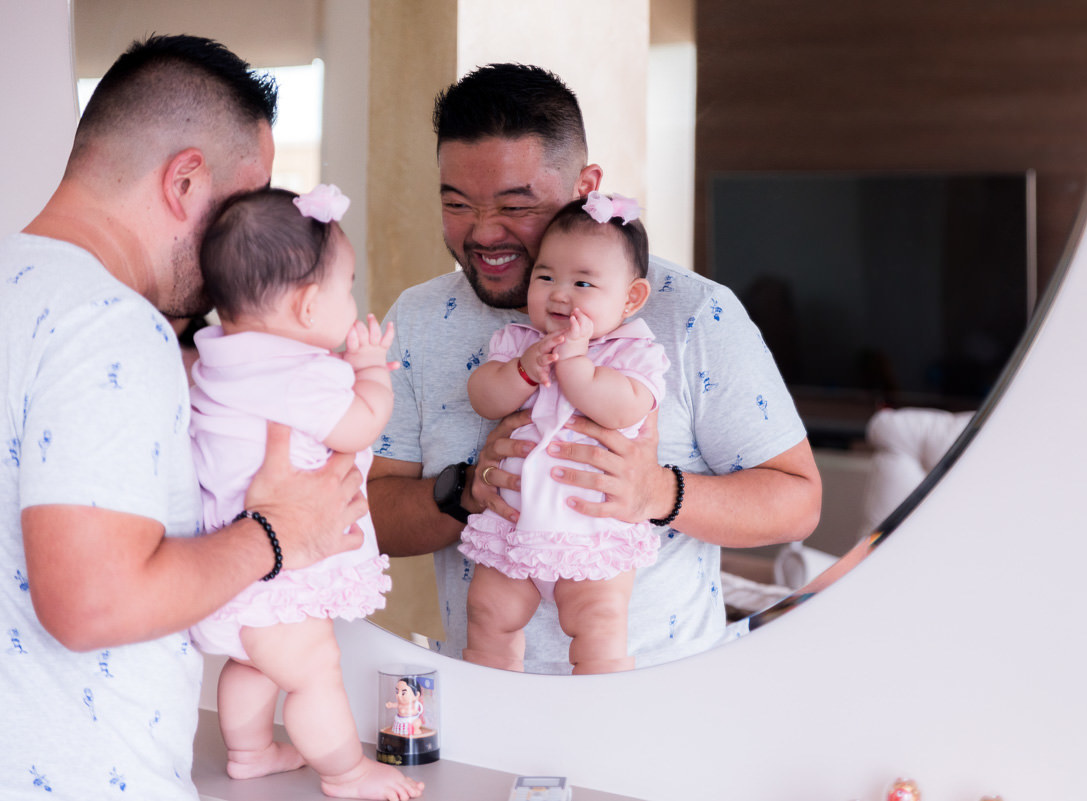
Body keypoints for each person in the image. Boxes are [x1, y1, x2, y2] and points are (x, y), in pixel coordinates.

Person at [0, 36, 366, 800]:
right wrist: (276, 534)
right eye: (241, 208)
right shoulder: (109, 324)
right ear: (185, 180)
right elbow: (91, 603)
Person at [368, 63, 822, 674]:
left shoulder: (694, 313)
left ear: (586, 187)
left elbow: (797, 502)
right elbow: (369, 514)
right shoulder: (421, 318)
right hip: (487, 691)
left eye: (514, 205)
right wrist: (465, 491)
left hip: (655, 696)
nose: (484, 232)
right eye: (457, 204)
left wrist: (655, 491)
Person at [187, 186, 422, 800]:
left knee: (252, 662)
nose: (353, 302)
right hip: (284, 570)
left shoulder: (216, 362)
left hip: (232, 566)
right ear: (310, 306)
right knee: (314, 671)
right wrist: (369, 374)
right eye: (348, 289)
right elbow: (359, 427)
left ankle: (250, 752)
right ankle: (346, 773)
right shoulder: (305, 376)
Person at [459, 192, 667, 674]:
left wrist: (575, 364)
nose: (559, 294)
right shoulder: (519, 343)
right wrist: (522, 371)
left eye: (583, 283)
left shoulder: (633, 352)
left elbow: (625, 407)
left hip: (591, 532)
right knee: (487, 612)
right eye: (546, 276)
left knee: (599, 622)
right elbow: (483, 396)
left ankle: (597, 710)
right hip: (515, 527)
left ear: (631, 298)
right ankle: (491, 696)